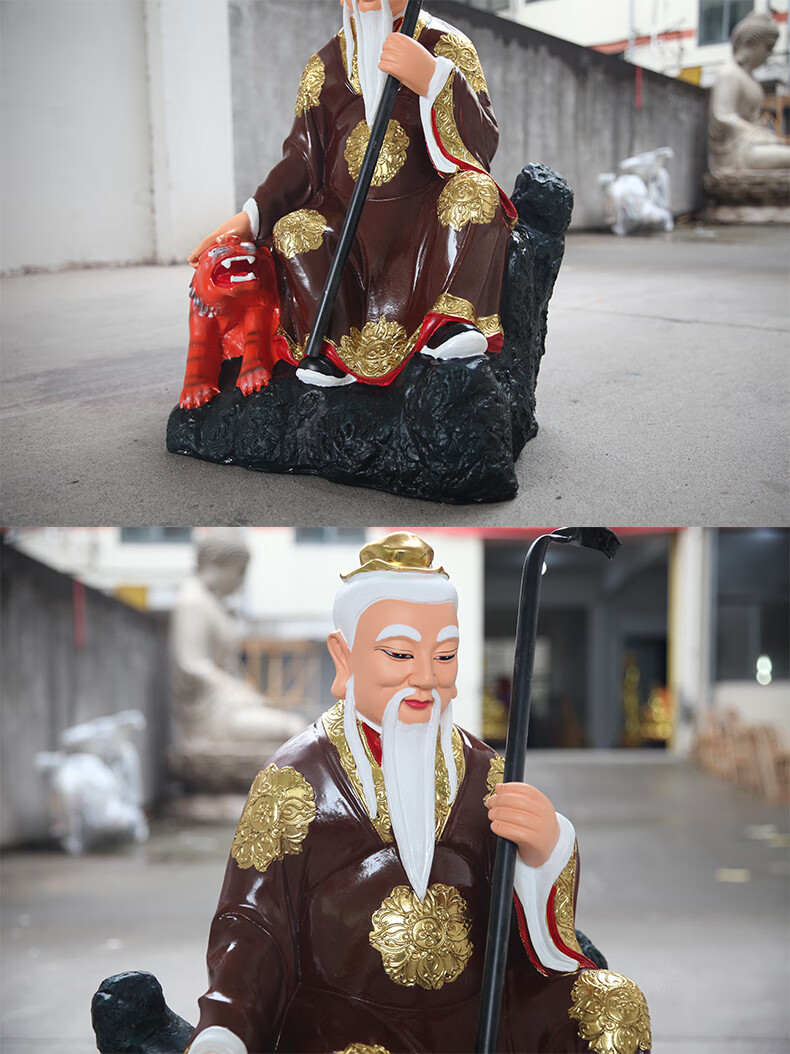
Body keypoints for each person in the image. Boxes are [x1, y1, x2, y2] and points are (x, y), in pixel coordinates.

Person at [187, 533, 651, 1054]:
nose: (427, 679)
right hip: (348, 1022)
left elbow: (522, 933)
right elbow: (253, 923)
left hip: (480, 1016)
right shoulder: (295, 782)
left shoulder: (487, 773)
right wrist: (228, 1022)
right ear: (345, 658)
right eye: (401, 654)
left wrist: (546, 851)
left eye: (446, 655)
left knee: (614, 1007)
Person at [187, 0, 516, 393]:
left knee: (475, 192)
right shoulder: (324, 66)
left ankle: (449, 320)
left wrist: (434, 79)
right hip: (348, 226)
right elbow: (302, 161)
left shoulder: (445, 44)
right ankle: (332, 345)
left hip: (425, 218)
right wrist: (250, 217)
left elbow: (483, 143)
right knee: (295, 230)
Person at [708, 11, 790, 175]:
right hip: (736, 152)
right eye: (768, 48)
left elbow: (756, 123)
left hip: (753, 145)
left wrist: (766, 137)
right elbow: (724, 117)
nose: (769, 54)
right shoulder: (729, 73)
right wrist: (763, 137)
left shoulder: (753, 83)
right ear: (749, 43)